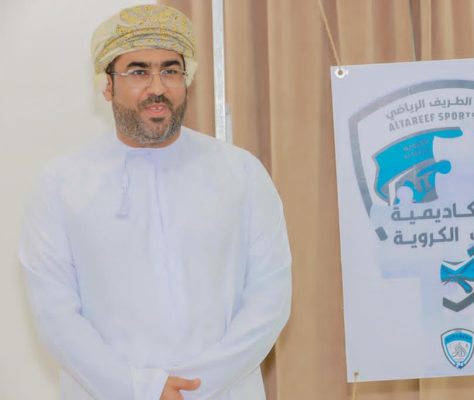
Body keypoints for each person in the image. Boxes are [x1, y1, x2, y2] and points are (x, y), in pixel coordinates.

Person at [18, 5, 291, 400]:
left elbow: (270, 298)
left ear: (187, 80)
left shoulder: (241, 173)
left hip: (223, 391)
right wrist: (140, 388)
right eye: (138, 72)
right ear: (107, 85)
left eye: (171, 70)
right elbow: (54, 315)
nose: (157, 87)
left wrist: (193, 387)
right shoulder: (61, 185)